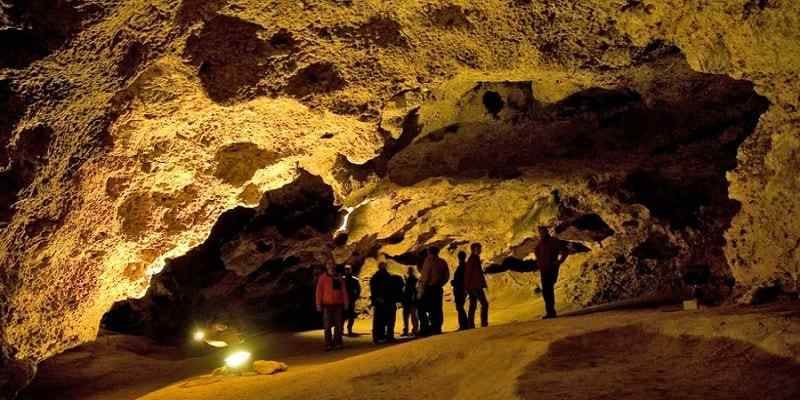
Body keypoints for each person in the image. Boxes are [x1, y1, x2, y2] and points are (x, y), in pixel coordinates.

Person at [534, 226, 569, 319]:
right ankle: (549, 311)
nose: (541, 234)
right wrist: (539, 263)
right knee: (546, 291)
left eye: (542, 232)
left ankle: (551, 312)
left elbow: (565, 250)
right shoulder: (540, 243)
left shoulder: (553, 241)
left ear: (546, 231)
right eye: (540, 232)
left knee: (548, 290)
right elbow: (536, 252)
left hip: (551, 269)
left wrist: (559, 261)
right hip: (543, 270)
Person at [315, 263, 349, 350]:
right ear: (327, 267)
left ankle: (337, 342)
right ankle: (328, 344)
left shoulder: (339, 278)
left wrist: (346, 303)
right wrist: (318, 304)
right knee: (327, 326)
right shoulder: (323, 278)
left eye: (332, 266)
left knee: (338, 325)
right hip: (327, 305)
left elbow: (344, 291)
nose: (331, 267)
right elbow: (319, 292)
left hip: (338, 305)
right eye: (329, 266)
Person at [419, 246, 450, 335]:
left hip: (429, 288)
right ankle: (437, 328)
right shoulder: (442, 262)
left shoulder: (428, 261)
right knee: (437, 309)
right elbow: (446, 276)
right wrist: (440, 284)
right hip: (438, 288)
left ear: (429, 252)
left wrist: (422, 289)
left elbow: (425, 275)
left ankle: (425, 328)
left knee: (422, 308)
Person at [370, 262, 399, 343]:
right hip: (385, 301)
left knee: (381, 320)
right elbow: (374, 289)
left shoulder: (377, 277)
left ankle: (381, 336)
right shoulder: (383, 276)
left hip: (384, 301)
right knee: (385, 319)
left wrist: (376, 298)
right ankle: (384, 336)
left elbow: (374, 289)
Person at [464, 243, 489, 328]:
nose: (480, 250)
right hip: (475, 286)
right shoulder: (473, 259)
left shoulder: (474, 259)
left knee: (473, 305)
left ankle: (470, 324)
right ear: (474, 249)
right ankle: (484, 323)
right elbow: (468, 274)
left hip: (473, 286)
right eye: (478, 248)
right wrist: (467, 286)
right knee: (484, 304)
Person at [451, 251, 469, 330]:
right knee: (459, 307)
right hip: (460, 289)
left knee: (459, 307)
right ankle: (464, 324)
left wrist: (454, 282)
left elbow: (461, 279)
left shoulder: (462, 266)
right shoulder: (463, 266)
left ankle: (464, 325)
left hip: (460, 290)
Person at [401, 266, 420, 337]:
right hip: (409, 301)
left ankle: (412, 330)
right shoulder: (411, 279)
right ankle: (413, 330)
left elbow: (411, 290)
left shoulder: (413, 280)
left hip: (410, 301)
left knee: (410, 316)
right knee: (411, 316)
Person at [343, 265, 361, 336]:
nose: (347, 270)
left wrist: (355, 298)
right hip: (343, 301)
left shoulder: (355, 279)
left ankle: (349, 329)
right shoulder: (342, 279)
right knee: (343, 316)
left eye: (349, 269)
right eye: (346, 269)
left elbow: (358, 289)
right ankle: (341, 329)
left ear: (351, 270)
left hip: (351, 300)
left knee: (351, 316)